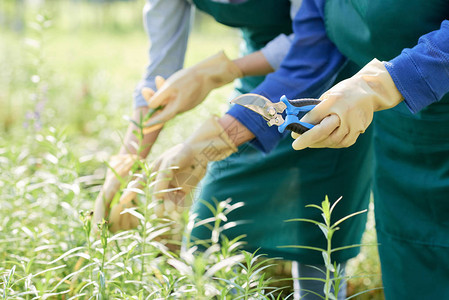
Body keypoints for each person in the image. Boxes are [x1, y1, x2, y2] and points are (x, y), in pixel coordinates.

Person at [94, 1, 374, 299]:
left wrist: (221, 74)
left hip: (330, 85)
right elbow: (157, 80)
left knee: (318, 238)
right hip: (258, 86)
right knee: (211, 232)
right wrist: (127, 159)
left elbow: (317, 39)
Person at [244, 0, 447, 299]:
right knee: (413, 272)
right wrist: (220, 135)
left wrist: (384, 83)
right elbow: (309, 55)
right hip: (403, 144)